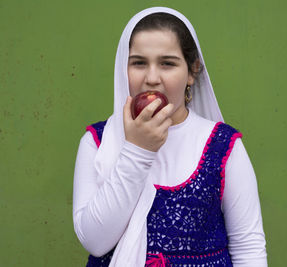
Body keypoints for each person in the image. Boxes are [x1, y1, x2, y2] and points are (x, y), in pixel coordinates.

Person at [73, 6, 268, 267]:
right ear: (123, 68)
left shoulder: (223, 146)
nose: (152, 78)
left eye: (167, 63)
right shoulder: (97, 142)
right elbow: (95, 241)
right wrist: (137, 150)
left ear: (192, 71)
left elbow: (249, 248)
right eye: (139, 63)